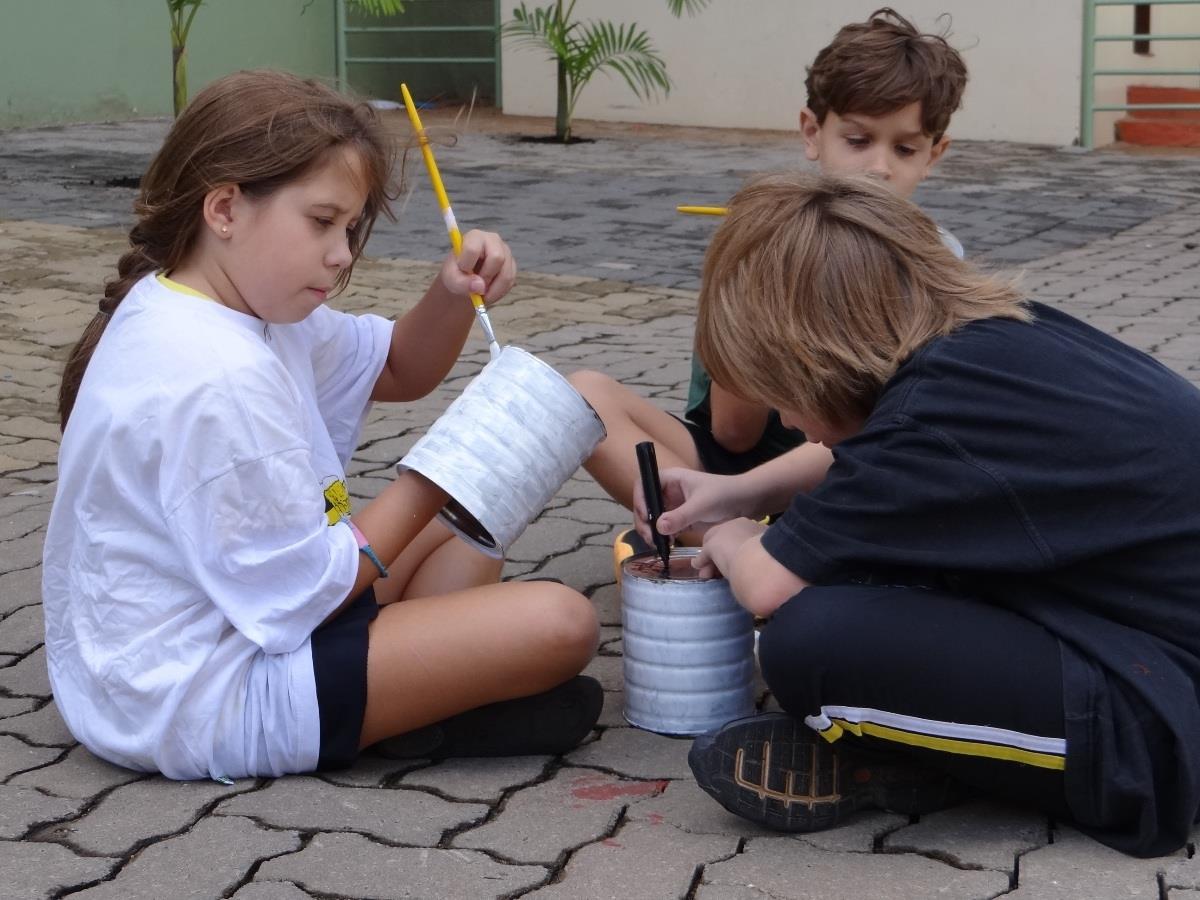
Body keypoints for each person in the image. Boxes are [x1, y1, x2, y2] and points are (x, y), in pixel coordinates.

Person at [41, 70, 602, 782]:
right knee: (562, 624)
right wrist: (446, 467)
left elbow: (399, 366)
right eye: (321, 222)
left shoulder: (231, 304)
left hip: (230, 630)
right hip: (200, 697)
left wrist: (453, 293)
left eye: (349, 227)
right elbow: (319, 589)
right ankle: (409, 711)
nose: (340, 254)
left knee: (467, 533)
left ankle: (416, 704)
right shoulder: (216, 372)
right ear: (225, 209)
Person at [633, 170, 1200, 858]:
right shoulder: (988, 342)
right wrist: (741, 491)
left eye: (780, 390)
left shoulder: (929, 416)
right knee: (861, 570)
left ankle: (933, 764)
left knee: (810, 645)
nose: (784, 417)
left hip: (1169, 718)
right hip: (1138, 627)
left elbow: (766, 584)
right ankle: (932, 744)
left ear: (813, 355)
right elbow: (866, 457)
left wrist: (723, 535)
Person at [567, 7, 968, 565]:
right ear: (812, 132)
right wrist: (759, 286)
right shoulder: (767, 242)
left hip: (847, 467)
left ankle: (723, 544)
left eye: (904, 149)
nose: (879, 168)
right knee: (580, 395)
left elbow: (897, 429)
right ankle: (726, 538)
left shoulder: (934, 259)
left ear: (934, 155)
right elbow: (733, 434)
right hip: (735, 466)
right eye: (857, 139)